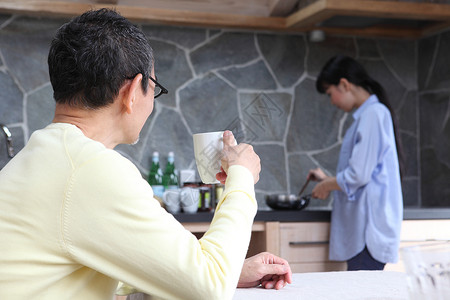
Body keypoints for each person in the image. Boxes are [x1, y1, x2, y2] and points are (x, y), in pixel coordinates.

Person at [0, 8, 291, 300]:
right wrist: (240, 177)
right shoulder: (91, 170)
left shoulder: (40, 158)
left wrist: (229, 271)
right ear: (130, 92)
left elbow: (77, 263)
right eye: (153, 88)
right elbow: (209, 290)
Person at [307, 55, 404, 271]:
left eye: (331, 94)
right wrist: (327, 179)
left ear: (344, 84)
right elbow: (365, 173)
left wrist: (326, 185)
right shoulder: (370, 115)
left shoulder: (373, 114)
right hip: (366, 232)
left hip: (367, 233)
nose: (332, 101)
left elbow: (359, 175)